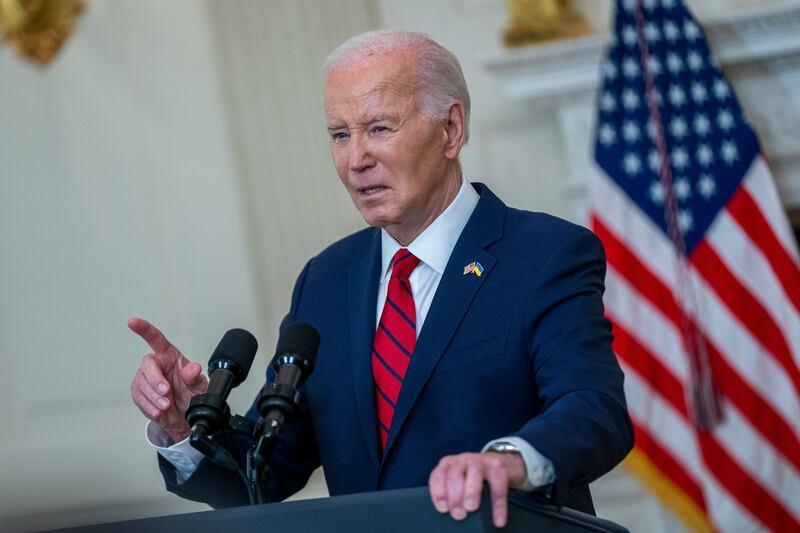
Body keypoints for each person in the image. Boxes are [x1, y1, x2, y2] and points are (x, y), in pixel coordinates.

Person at [129, 30, 633, 528]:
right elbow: (263, 474)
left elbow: (595, 409)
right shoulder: (325, 281)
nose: (356, 160)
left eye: (379, 128)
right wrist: (183, 426)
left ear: (451, 129)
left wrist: (508, 461)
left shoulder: (544, 255)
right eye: (340, 135)